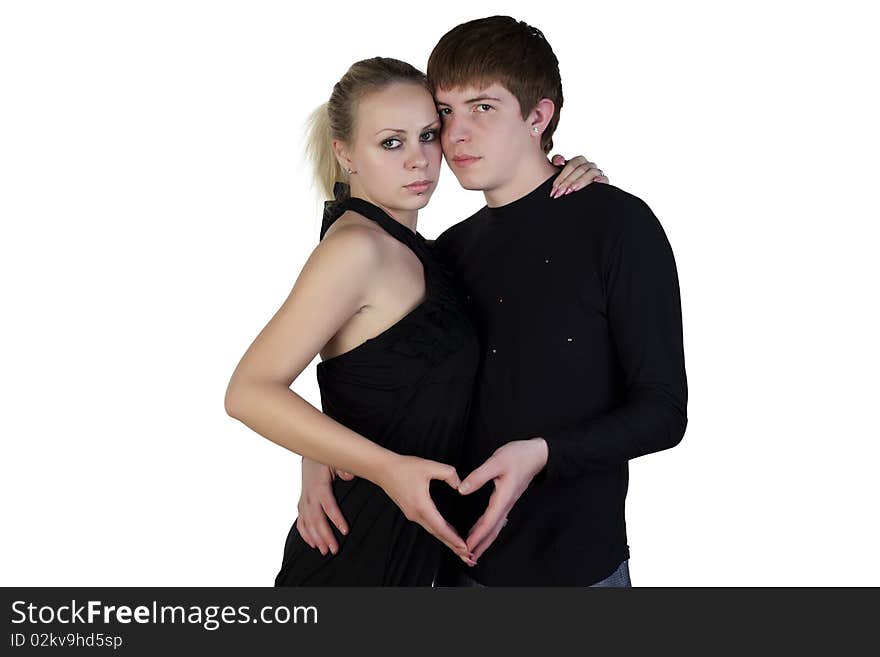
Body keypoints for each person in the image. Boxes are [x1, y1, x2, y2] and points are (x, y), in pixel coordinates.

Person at [298, 16, 688, 588]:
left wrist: (543, 453)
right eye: (445, 114)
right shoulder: (446, 253)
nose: (455, 136)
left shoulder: (618, 224)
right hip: (450, 568)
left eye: (483, 108)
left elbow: (663, 411)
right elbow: (374, 373)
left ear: (539, 117)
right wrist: (314, 456)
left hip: (578, 572)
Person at [224, 56, 604, 586]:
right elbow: (248, 391)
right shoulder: (357, 249)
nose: (420, 161)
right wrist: (382, 468)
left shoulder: (425, 251)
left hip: (419, 559)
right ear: (345, 153)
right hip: (352, 556)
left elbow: (366, 381)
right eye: (391, 142)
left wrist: (562, 180)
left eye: (428, 135)